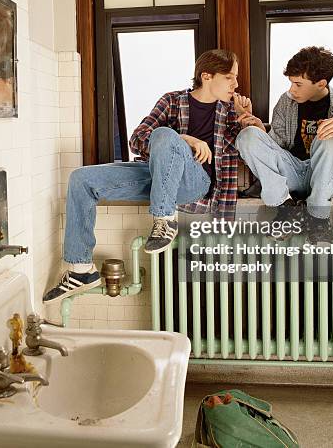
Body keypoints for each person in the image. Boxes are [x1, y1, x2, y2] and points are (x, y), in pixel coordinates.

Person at [43, 49, 251, 303]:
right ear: (206, 76)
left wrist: (245, 118)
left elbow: (251, 149)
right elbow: (137, 139)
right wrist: (184, 139)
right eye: (230, 77)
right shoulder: (172, 101)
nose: (236, 84)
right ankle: (81, 270)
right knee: (81, 179)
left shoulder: (230, 112)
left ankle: (164, 220)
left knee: (164, 134)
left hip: (195, 184)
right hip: (156, 176)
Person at [235, 46, 333, 242]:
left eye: (298, 84)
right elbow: (278, 146)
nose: (292, 89)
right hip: (293, 172)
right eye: (291, 83)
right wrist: (260, 130)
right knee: (247, 136)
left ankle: (318, 217)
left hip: (329, 180)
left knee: (332, 136)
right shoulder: (287, 101)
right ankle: (285, 208)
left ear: (320, 83)